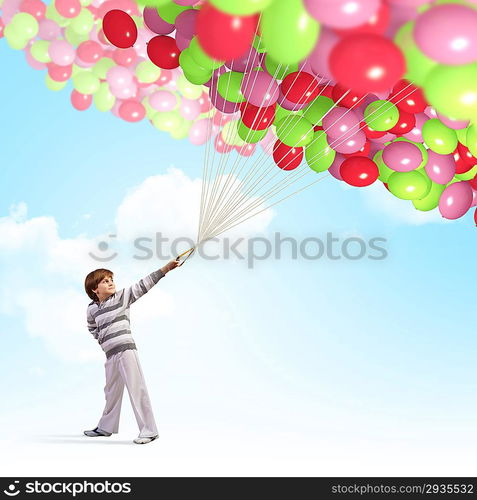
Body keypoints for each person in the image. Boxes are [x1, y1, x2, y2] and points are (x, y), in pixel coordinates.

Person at [83, 259, 179, 444]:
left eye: (111, 279)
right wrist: (103, 342)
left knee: (137, 389)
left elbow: (145, 284)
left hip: (126, 350)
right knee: (111, 391)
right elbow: (92, 328)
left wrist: (166, 268)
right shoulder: (92, 309)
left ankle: (149, 431)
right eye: (105, 281)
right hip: (110, 354)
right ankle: (105, 427)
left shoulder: (122, 297)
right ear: (95, 289)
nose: (110, 282)